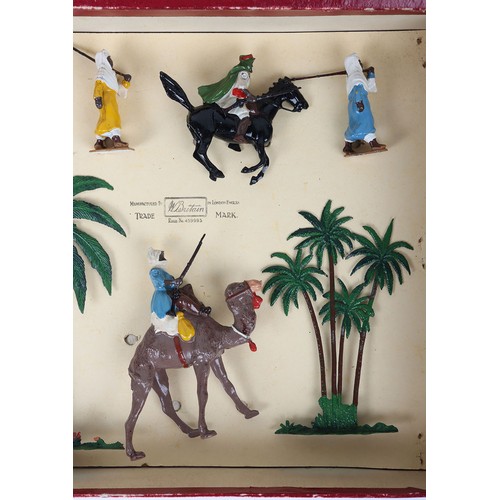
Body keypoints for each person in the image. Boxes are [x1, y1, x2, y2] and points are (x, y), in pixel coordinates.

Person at [148, 248, 211, 342]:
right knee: (182, 300)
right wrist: (174, 282)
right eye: (161, 257)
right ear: (156, 259)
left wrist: (176, 282)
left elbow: (170, 283)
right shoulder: (154, 271)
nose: (164, 259)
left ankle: (198, 307)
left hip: (171, 292)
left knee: (187, 289)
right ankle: (200, 311)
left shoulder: (163, 271)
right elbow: (162, 282)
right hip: (163, 296)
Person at [198, 54, 256, 142]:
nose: (251, 65)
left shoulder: (243, 72)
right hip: (234, 99)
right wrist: (248, 95)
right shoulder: (243, 73)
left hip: (237, 97)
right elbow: (241, 87)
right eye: (250, 63)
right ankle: (239, 135)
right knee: (246, 114)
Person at [343, 53, 386, 155]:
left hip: (354, 104)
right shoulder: (356, 75)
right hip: (360, 102)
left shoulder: (352, 76)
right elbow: (357, 89)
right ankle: (373, 143)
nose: (361, 64)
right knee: (367, 120)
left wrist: (371, 74)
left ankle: (348, 145)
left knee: (354, 122)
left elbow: (368, 87)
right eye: (359, 62)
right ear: (354, 64)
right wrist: (359, 103)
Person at [93, 49, 131, 150]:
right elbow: (98, 86)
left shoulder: (111, 73)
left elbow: (118, 89)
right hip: (106, 99)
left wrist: (126, 81)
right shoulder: (102, 72)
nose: (111, 61)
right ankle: (116, 139)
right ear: (104, 60)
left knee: (104, 118)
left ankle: (99, 141)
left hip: (111, 98)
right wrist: (97, 97)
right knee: (113, 116)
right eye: (109, 59)